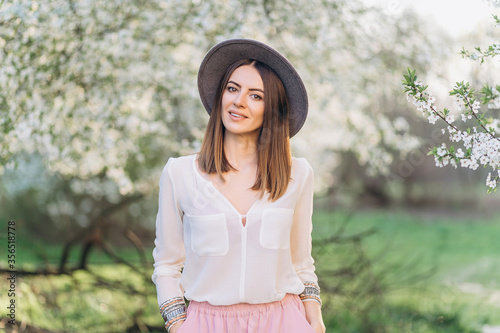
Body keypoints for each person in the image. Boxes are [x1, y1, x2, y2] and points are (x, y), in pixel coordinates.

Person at [151, 39, 325, 333]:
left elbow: (301, 263)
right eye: (233, 89)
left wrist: (315, 319)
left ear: (272, 108)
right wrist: (178, 325)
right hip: (206, 324)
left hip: (284, 321)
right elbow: (167, 264)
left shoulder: (299, 174)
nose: (239, 101)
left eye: (256, 96)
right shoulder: (179, 174)